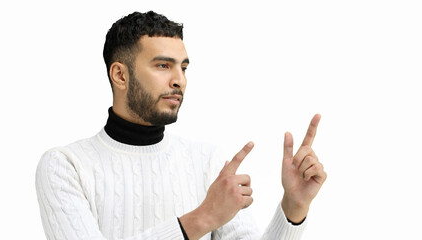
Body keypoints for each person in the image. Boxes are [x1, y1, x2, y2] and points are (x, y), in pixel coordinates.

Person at [35, 11, 327, 240]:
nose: (180, 80)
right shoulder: (65, 165)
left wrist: (294, 207)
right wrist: (203, 218)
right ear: (120, 76)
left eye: (183, 67)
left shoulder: (206, 161)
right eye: (163, 66)